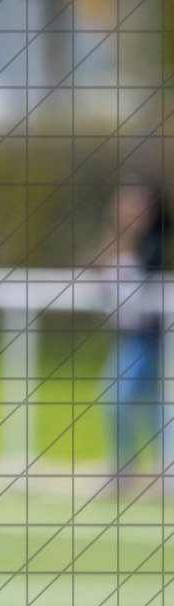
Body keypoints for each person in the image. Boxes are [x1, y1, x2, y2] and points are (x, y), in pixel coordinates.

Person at [100, 178, 170, 493]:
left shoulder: (158, 245)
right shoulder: (118, 242)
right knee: (133, 402)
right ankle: (126, 469)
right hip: (134, 337)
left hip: (153, 337)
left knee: (140, 402)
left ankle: (139, 470)